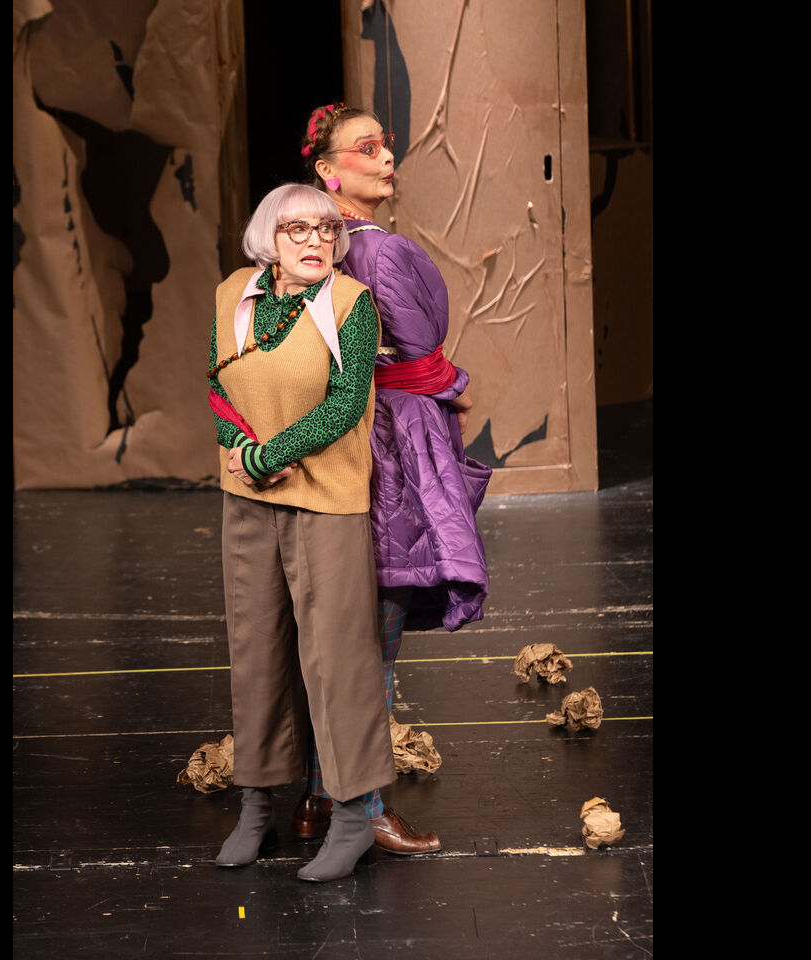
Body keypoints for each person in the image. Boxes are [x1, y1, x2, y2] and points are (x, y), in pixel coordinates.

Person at [288, 103, 492, 855]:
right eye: (366, 148)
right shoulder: (374, 252)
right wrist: (453, 385)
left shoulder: (311, 253)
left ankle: (317, 799)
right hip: (390, 449)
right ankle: (365, 805)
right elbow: (416, 356)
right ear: (328, 171)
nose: (385, 158)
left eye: (387, 145)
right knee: (375, 634)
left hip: (348, 442)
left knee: (341, 633)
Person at [206, 182, 395, 882]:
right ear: (270, 239)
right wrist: (243, 450)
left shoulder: (350, 304)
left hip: (327, 501)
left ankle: (352, 819)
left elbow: (346, 404)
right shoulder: (234, 294)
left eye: (326, 229)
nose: (316, 241)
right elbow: (219, 385)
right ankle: (256, 808)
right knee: (255, 650)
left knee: (337, 659)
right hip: (247, 499)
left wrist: (272, 453)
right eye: (298, 230)